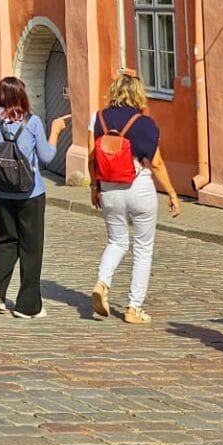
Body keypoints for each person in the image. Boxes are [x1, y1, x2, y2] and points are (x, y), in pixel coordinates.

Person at [88, 70, 183, 324]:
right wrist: (172, 193)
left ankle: (102, 282)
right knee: (143, 248)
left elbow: (92, 158)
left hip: (109, 188)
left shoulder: (98, 119)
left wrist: (95, 187)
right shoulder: (145, 123)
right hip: (139, 186)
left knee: (116, 241)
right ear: (138, 94)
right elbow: (157, 163)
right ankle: (133, 308)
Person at [0, 77, 71, 319]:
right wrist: (55, 131)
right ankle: (27, 306)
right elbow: (47, 157)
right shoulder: (32, 122)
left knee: (6, 242)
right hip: (30, 194)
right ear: (22, 96)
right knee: (31, 248)